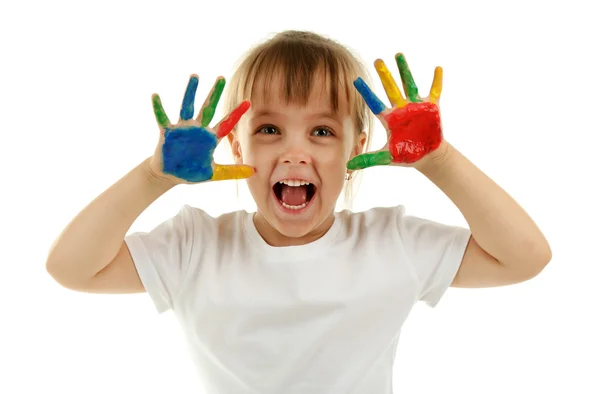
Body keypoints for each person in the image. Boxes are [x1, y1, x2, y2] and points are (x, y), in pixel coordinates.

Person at [46, 30, 552, 393]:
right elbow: (71, 267)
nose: (294, 153)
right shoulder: (194, 245)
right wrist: (154, 176)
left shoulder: (392, 242)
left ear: (358, 147)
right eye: (268, 130)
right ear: (237, 148)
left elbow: (525, 257)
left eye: (322, 132)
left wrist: (439, 160)